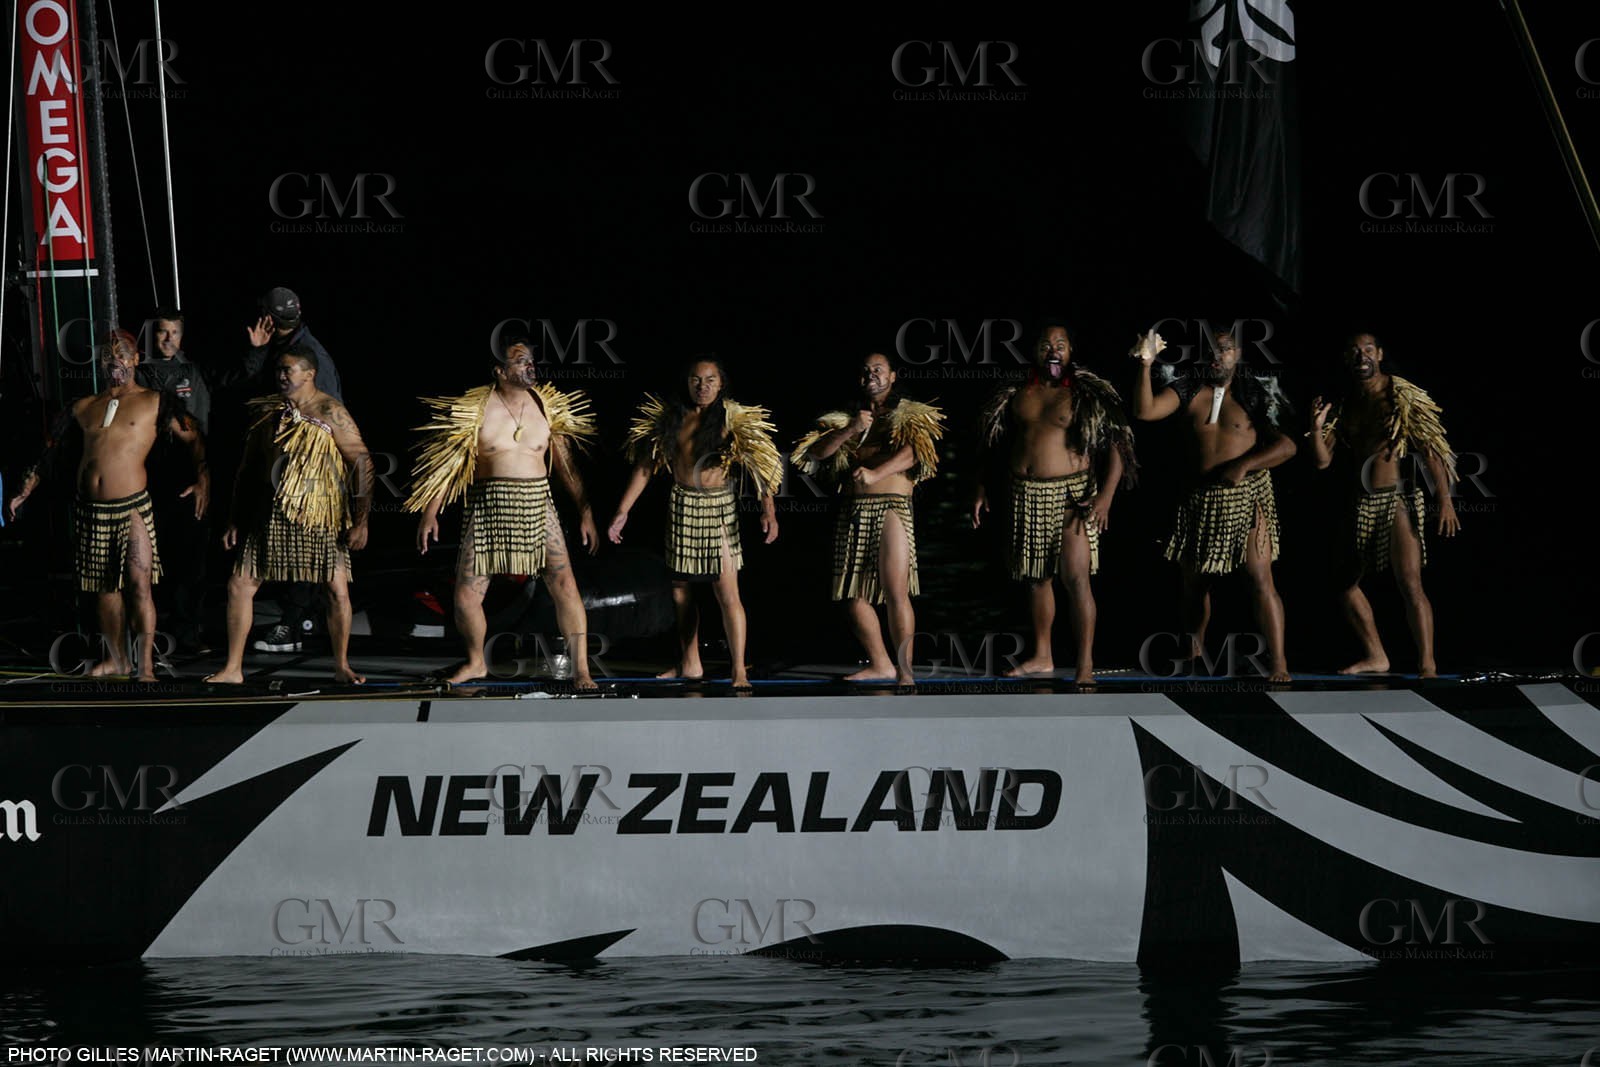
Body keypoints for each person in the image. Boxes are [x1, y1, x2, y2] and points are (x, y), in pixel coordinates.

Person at [8, 330, 207, 680]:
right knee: (104, 588)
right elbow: (49, 452)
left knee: (138, 583)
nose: (114, 360)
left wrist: (204, 478)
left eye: (122, 354)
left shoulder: (155, 401)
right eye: (107, 356)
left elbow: (194, 439)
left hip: (131, 508)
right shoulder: (85, 406)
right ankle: (117, 659)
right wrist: (25, 489)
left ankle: (144, 667)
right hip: (91, 511)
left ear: (134, 360)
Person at [410, 336, 601, 689]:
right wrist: (430, 513)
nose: (530, 366)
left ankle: (582, 670)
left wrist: (585, 512)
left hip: (537, 503)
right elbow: (448, 466)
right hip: (488, 505)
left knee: (565, 585)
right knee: (466, 595)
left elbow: (567, 467)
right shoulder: (475, 408)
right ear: (500, 371)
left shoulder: (548, 406)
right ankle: (476, 662)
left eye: (531, 360)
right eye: (519, 361)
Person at [972, 323, 1136, 683]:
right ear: (1034, 352)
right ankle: (1043, 656)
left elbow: (1117, 448)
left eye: (1060, 344)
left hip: (1071, 496)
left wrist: (1106, 497)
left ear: (1071, 352)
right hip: (1025, 494)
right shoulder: (1015, 391)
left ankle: (1085, 665)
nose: (1053, 350)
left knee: (1076, 579)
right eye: (1046, 344)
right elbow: (994, 443)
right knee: (1036, 579)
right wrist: (982, 488)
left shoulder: (1085, 392)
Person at [1131, 326, 1294, 682]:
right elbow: (1144, 412)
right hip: (1199, 501)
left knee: (1259, 577)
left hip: (1247, 497)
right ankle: (1192, 656)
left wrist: (1244, 464)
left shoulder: (1254, 394)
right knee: (1194, 584)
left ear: (1237, 355)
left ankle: (1279, 663)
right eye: (1210, 351)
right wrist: (1145, 365)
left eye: (1224, 350)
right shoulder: (1187, 389)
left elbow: (1287, 446)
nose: (1217, 357)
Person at [608, 357, 781, 688]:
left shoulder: (733, 419)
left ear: (721, 383)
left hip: (718, 508)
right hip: (682, 504)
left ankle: (739, 669)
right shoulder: (671, 418)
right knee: (681, 593)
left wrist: (768, 511)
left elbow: (761, 467)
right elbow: (646, 467)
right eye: (696, 379)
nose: (703, 386)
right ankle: (690, 664)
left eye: (710, 380)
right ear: (687, 383)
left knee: (727, 592)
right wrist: (623, 511)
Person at [205, 345, 371, 686]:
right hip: (269, 514)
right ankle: (233, 668)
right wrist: (235, 518)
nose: (281, 375)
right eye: (278, 369)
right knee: (239, 585)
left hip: (319, 514)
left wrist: (361, 519)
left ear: (309, 374)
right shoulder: (269, 412)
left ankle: (341, 665)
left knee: (337, 590)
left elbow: (362, 462)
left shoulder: (329, 410)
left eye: (289, 369)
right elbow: (248, 470)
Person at [1310, 332, 1460, 677]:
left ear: (1379, 354)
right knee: (1342, 584)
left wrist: (1445, 498)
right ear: (1347, 359)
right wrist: (1316, 429)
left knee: (1409, 582)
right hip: (1362, 503)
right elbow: (1321, 462)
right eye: (1354, 351)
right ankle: (1377, 656)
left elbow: (1431, 448)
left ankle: (1427, 665)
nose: (1361, 355)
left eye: (1367, 349)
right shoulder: (1346, 402)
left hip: (1398, 500)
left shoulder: (1399, 394)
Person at [792, 352, 944, 685]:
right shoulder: (847, 418)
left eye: (878, 369)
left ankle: (906, 673)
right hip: (854, 509)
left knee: (895, 590)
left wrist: (876, 474)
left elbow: (917, 451)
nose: (870, 375)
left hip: (892, 504)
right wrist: (850, 430)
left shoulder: (908, 414)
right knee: (853, 597)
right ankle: (881, 664)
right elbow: (814, 455)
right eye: (865, 371)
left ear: (892, 376)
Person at [216, 286, 343, 653]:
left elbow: (334, 417)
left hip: (307, 470)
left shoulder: (312, 355)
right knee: (265, 560)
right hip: (273, 460)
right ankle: (299, 620)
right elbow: (237, 383)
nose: (283, 378)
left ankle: (296, 623)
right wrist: (256, 352)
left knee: (314, 557)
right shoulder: (274, 346)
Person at [136, 308, 213, 653]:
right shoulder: (139, 374)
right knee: (149, 559)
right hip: (147, 478)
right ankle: (151, 635)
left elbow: (202, 431)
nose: (169, 339)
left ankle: (187, 632)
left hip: (187, 476)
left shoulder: (192, 372)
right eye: (162, 332)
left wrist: (203, 477)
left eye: (175, 333)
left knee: (190, 558)